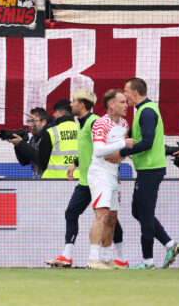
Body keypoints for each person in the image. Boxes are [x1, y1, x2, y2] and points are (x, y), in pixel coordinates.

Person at [47, 90, 127, 269]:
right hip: (86, 179)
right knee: (78, 214)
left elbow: (107, 147)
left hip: (97, 178)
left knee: (108, 218)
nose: (71, 104)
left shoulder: (95, 122)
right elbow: (88, 148)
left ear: (81, 105)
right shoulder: (82, 123)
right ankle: (68, 256)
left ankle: (116, 258)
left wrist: (116, 167)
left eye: (73, 101)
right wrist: (75, 163)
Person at [119, 78, 179, 269]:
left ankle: (148, 261)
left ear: (135, 92)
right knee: (137, 211)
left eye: (126, 91)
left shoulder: (146, 111)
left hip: (151, 169)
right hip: (147, 169)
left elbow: (147, 142)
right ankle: (170, 244)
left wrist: (122, 152)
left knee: (145, 214)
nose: (124, 95)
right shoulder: (143, 110)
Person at [85, 89, 129, 270]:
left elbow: (120, 152)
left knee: (112, 218)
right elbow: (98, 150)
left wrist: (122, 155)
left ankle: (106, 258)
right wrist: (123, 144)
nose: (126, 105)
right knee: (102, 215)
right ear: (111, 104)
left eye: (126, 102)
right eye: (122, 102)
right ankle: (93, 259)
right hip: (100, 174)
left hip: (114, 174)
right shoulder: (100, 124)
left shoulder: (124, 124)